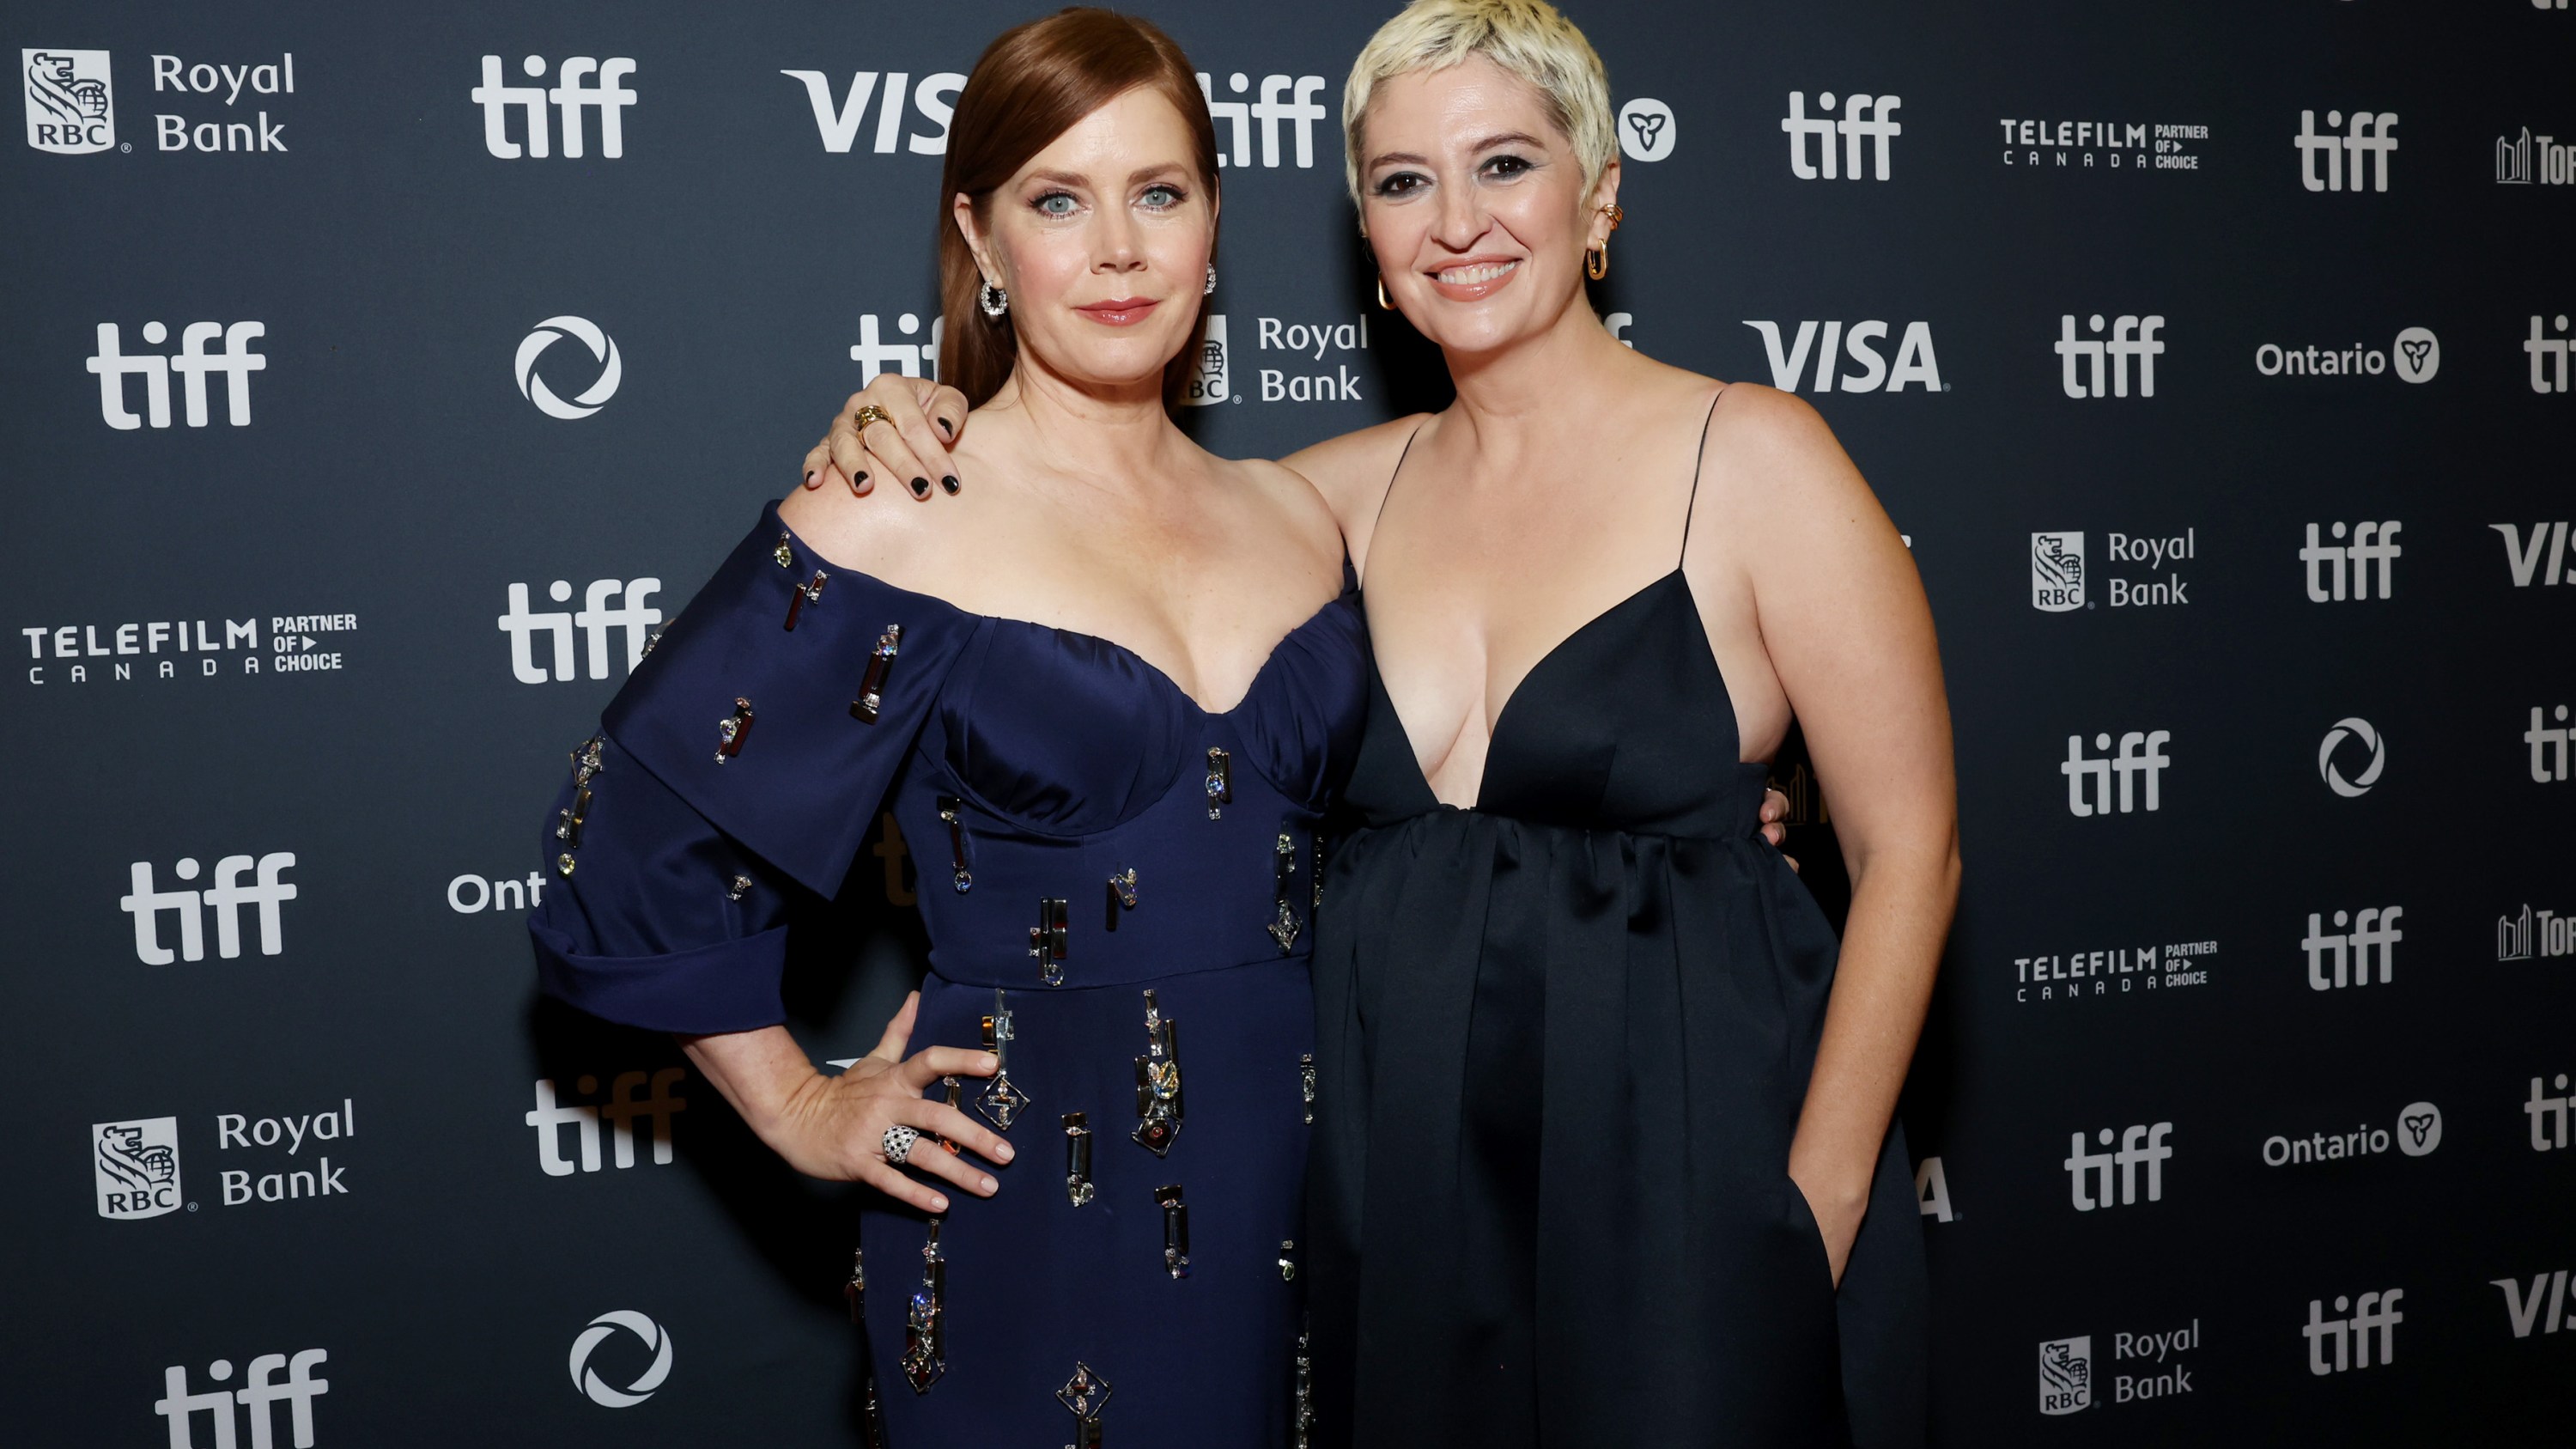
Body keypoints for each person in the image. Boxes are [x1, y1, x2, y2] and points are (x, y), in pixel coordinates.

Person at [804, 2, 1954, 1445]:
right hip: (1406, 1205)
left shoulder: (1758, 458)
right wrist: (902, 432)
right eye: (1406, 181)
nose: (1457, 221)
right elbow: (1103, 547)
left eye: (1507, 166)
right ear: (1366, 229)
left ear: (1599, 195)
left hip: (1688, 1175)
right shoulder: (1321, 502)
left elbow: (1913, 848)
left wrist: (1819, 1203)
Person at [528, 12, 1372, 1445]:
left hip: (1326, 1187)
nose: (1117, 248)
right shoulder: (897, 498)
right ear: (981, 237)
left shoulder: (1302, 513)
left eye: (1157, 194)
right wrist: (801, 1105)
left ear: (1214, 223)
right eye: (1059, 199)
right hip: (1031, 1200)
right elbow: (628, 837)